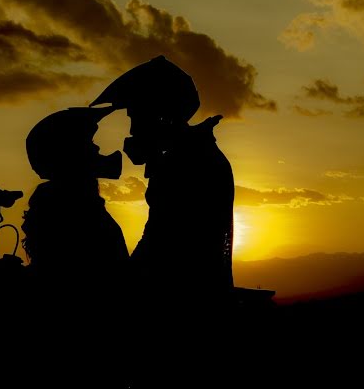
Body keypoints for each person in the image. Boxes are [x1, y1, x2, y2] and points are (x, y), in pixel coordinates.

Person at [90, 55, 234, 305]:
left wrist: (125, 283)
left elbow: (162, 241)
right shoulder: (188, 154)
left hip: (181, 295)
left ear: (161, 116)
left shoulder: (186, 162)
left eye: (137, 117)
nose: (132, 131)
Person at [21, 106, 129, 305]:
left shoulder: (54, 202)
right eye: (89, 143)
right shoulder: (77, 210)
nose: (97, 149)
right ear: (71, 154)